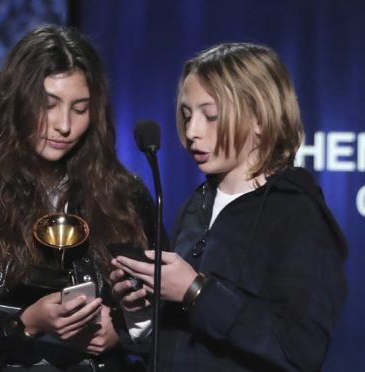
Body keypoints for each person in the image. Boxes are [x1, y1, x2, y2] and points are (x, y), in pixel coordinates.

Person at [0, 25, 156, 372]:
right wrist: (26, 323)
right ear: (16, 103)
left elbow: (167, 307)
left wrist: (124, 330)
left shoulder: (125, 195)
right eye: (49, 105)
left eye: (80, 108)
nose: (64, 125)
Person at [110, 42, 348, 371]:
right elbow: (179, 345)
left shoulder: (299, 215)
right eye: (187, 115)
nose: (192, 132)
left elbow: (300, 350)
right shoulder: (196, 205)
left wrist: (195, 291)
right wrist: (139, 313)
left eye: (212, 116)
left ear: (260, 120)